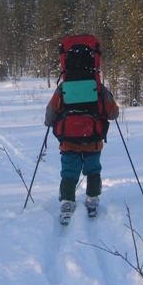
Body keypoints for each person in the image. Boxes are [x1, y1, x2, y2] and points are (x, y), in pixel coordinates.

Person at [44, 82, 119, 223]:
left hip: (69, 139)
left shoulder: (64, 86)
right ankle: (92, 200)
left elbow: (51, 109)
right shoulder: (98, 86)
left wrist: (49, 122)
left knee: (69, 171)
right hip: (93, 139)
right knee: (93, 170)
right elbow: (113, 113)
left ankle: (67, 202)